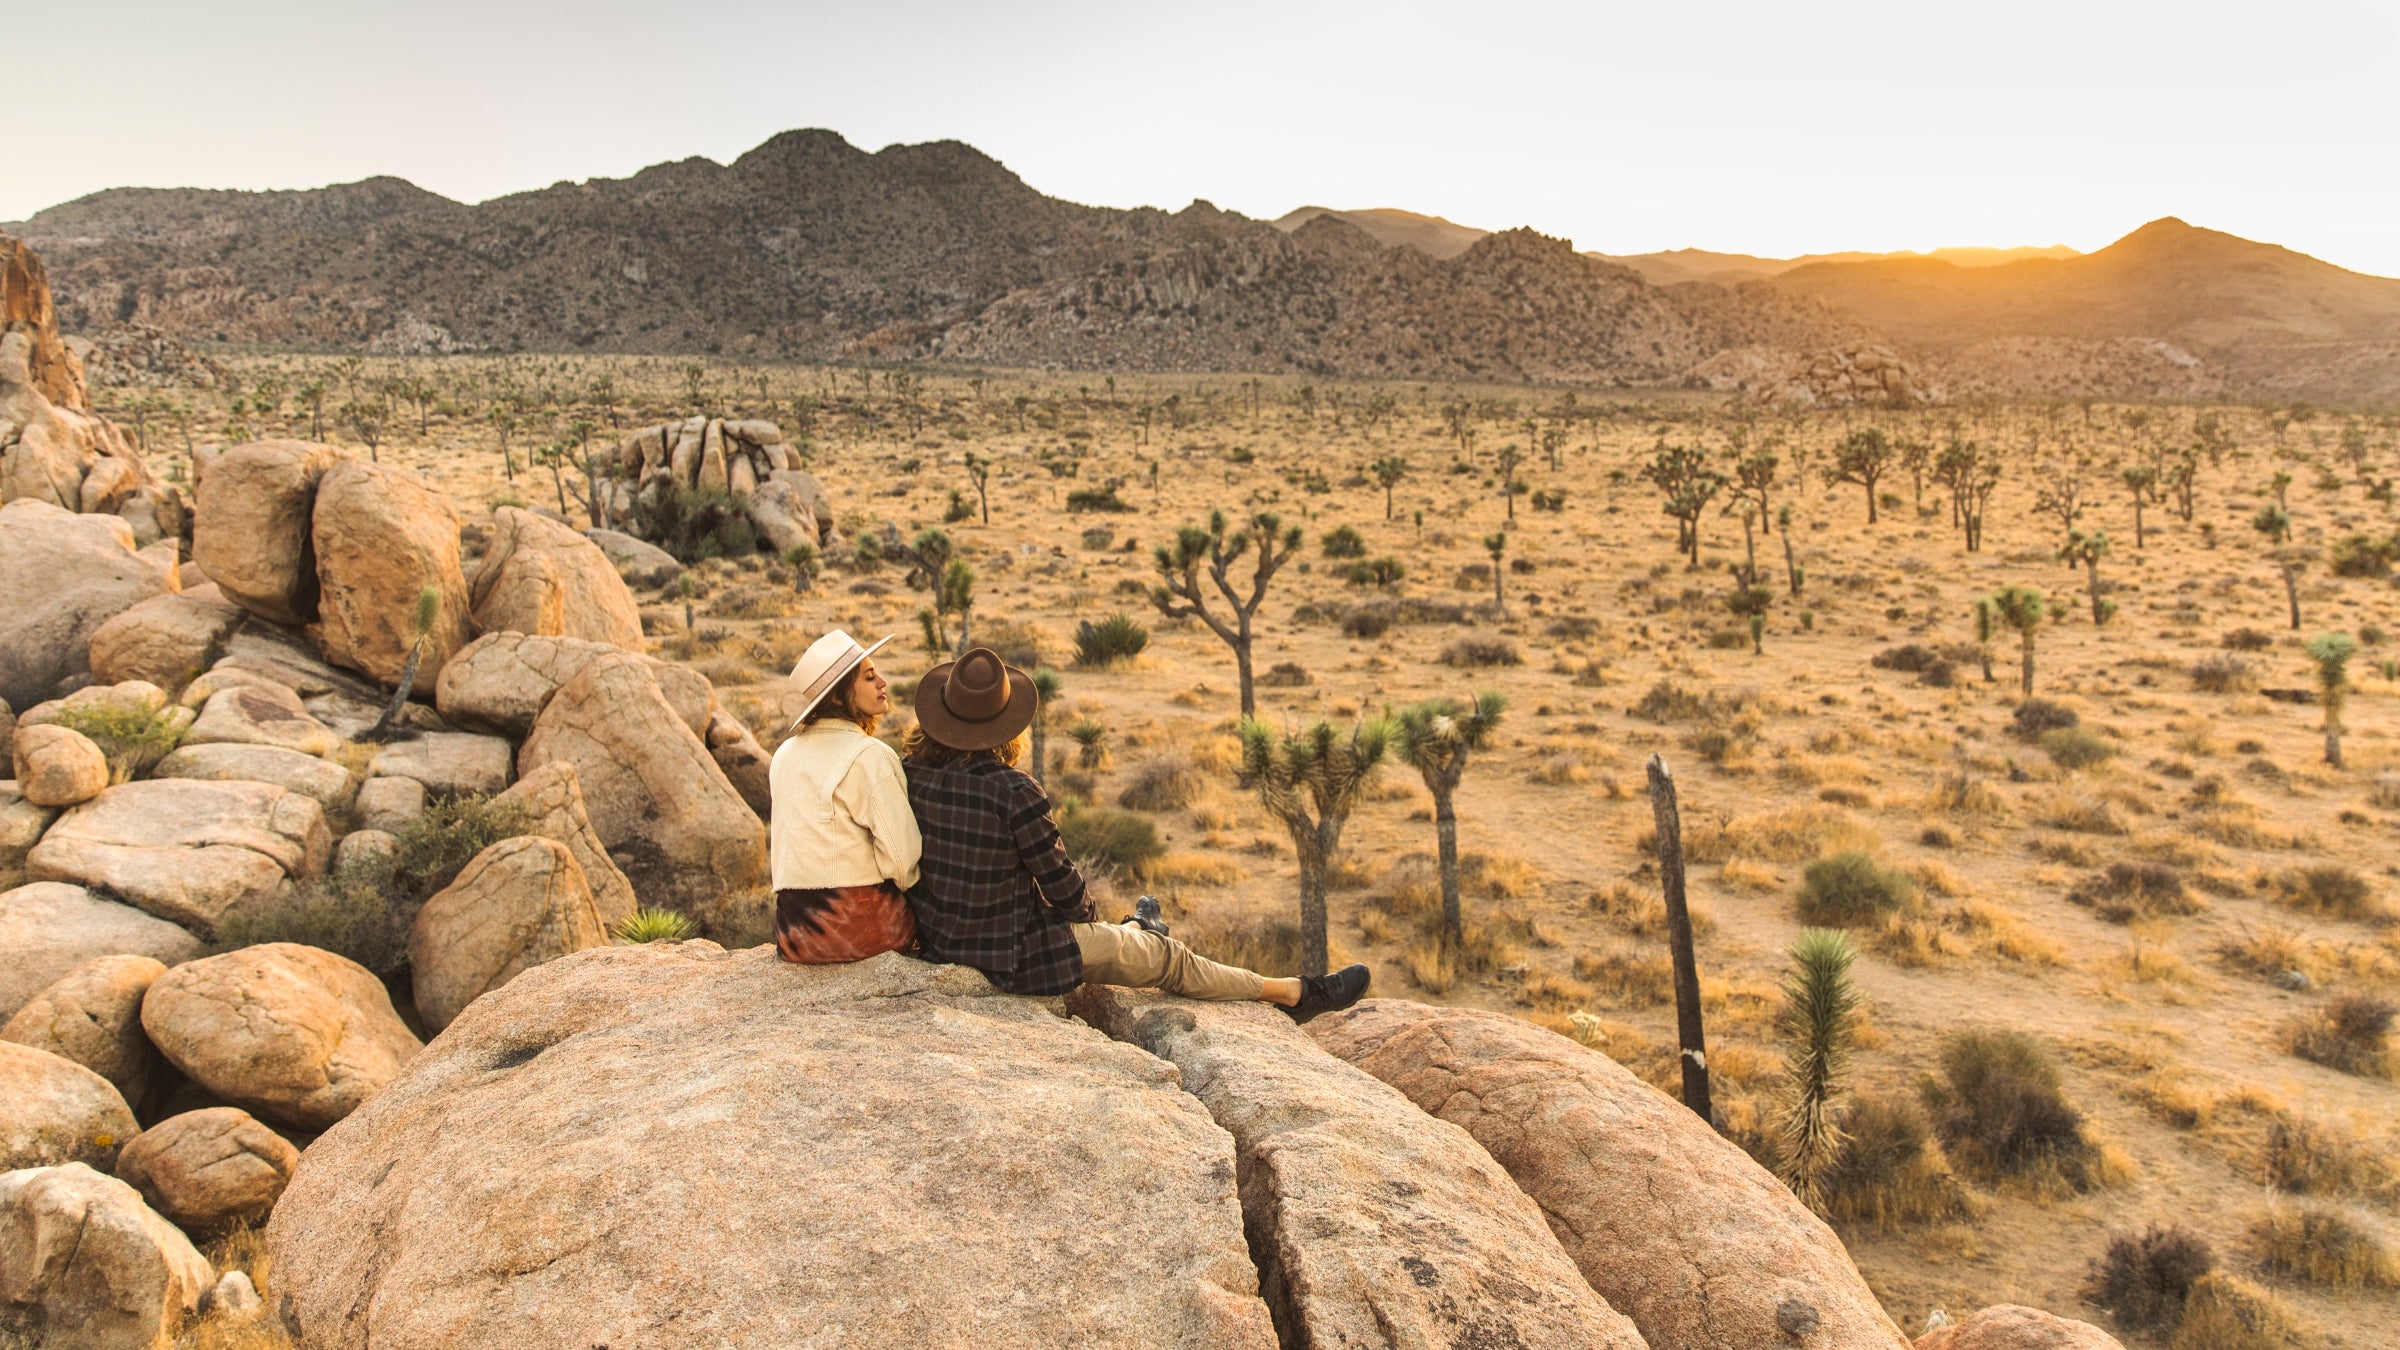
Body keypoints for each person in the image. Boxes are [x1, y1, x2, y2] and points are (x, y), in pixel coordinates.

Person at [900, 646, 1371, 1021]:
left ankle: (1136, 929)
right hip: (1015, 955)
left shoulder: (909, 775)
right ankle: (1296, 993)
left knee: (1127, 940)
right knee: (1169, 959)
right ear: (1007, 727)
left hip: (943, 942)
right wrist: (1086, 914)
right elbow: (1066, 892)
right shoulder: (1013, 791)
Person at [768, 629, 922, 964]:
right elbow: (902, 861)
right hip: (860, 931)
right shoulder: (870, 755)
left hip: (795, 934)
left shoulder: (784, 754)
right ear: (838, 697)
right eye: (869, 677)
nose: (882, 682)